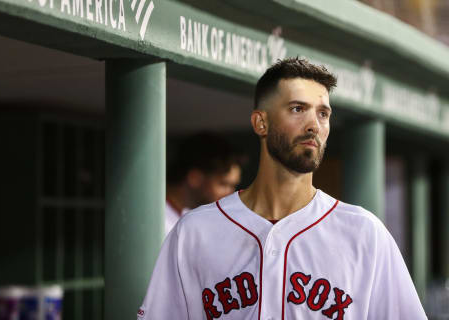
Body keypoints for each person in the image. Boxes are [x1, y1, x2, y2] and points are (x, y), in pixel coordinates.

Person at [138, 58, 427, 319]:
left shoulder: (365, 234)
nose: (314, 124)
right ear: (260, 122)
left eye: (323, 114)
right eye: (298, 109)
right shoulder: (193, 231)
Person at [165, 132, 242, 235]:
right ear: (195, 178)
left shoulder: (190, 218)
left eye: (233, 186)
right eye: (223, 184)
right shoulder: (153, 216)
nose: (230, 193)